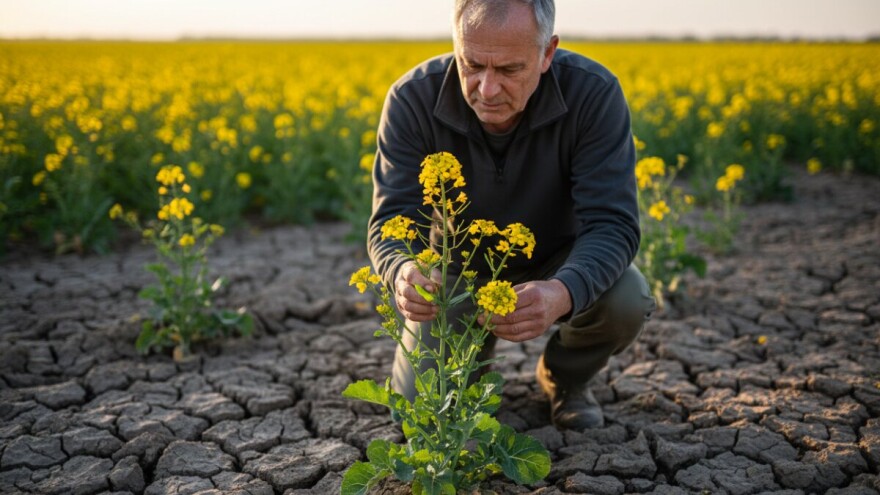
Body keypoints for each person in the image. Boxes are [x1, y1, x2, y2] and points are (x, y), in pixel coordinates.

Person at [367, 0, 656, 430]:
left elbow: (612, 226)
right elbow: (390, 223)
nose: (486, 89)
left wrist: (562, 292)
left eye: (508, 71)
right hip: (454, 278)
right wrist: (403, 270)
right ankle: (469, 368)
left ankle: (566, 378)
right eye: (472, 65)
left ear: (547, 53)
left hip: (556, 262)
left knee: (626, 298)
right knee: (418, 417)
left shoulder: (593, 95)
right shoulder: (412, 99)